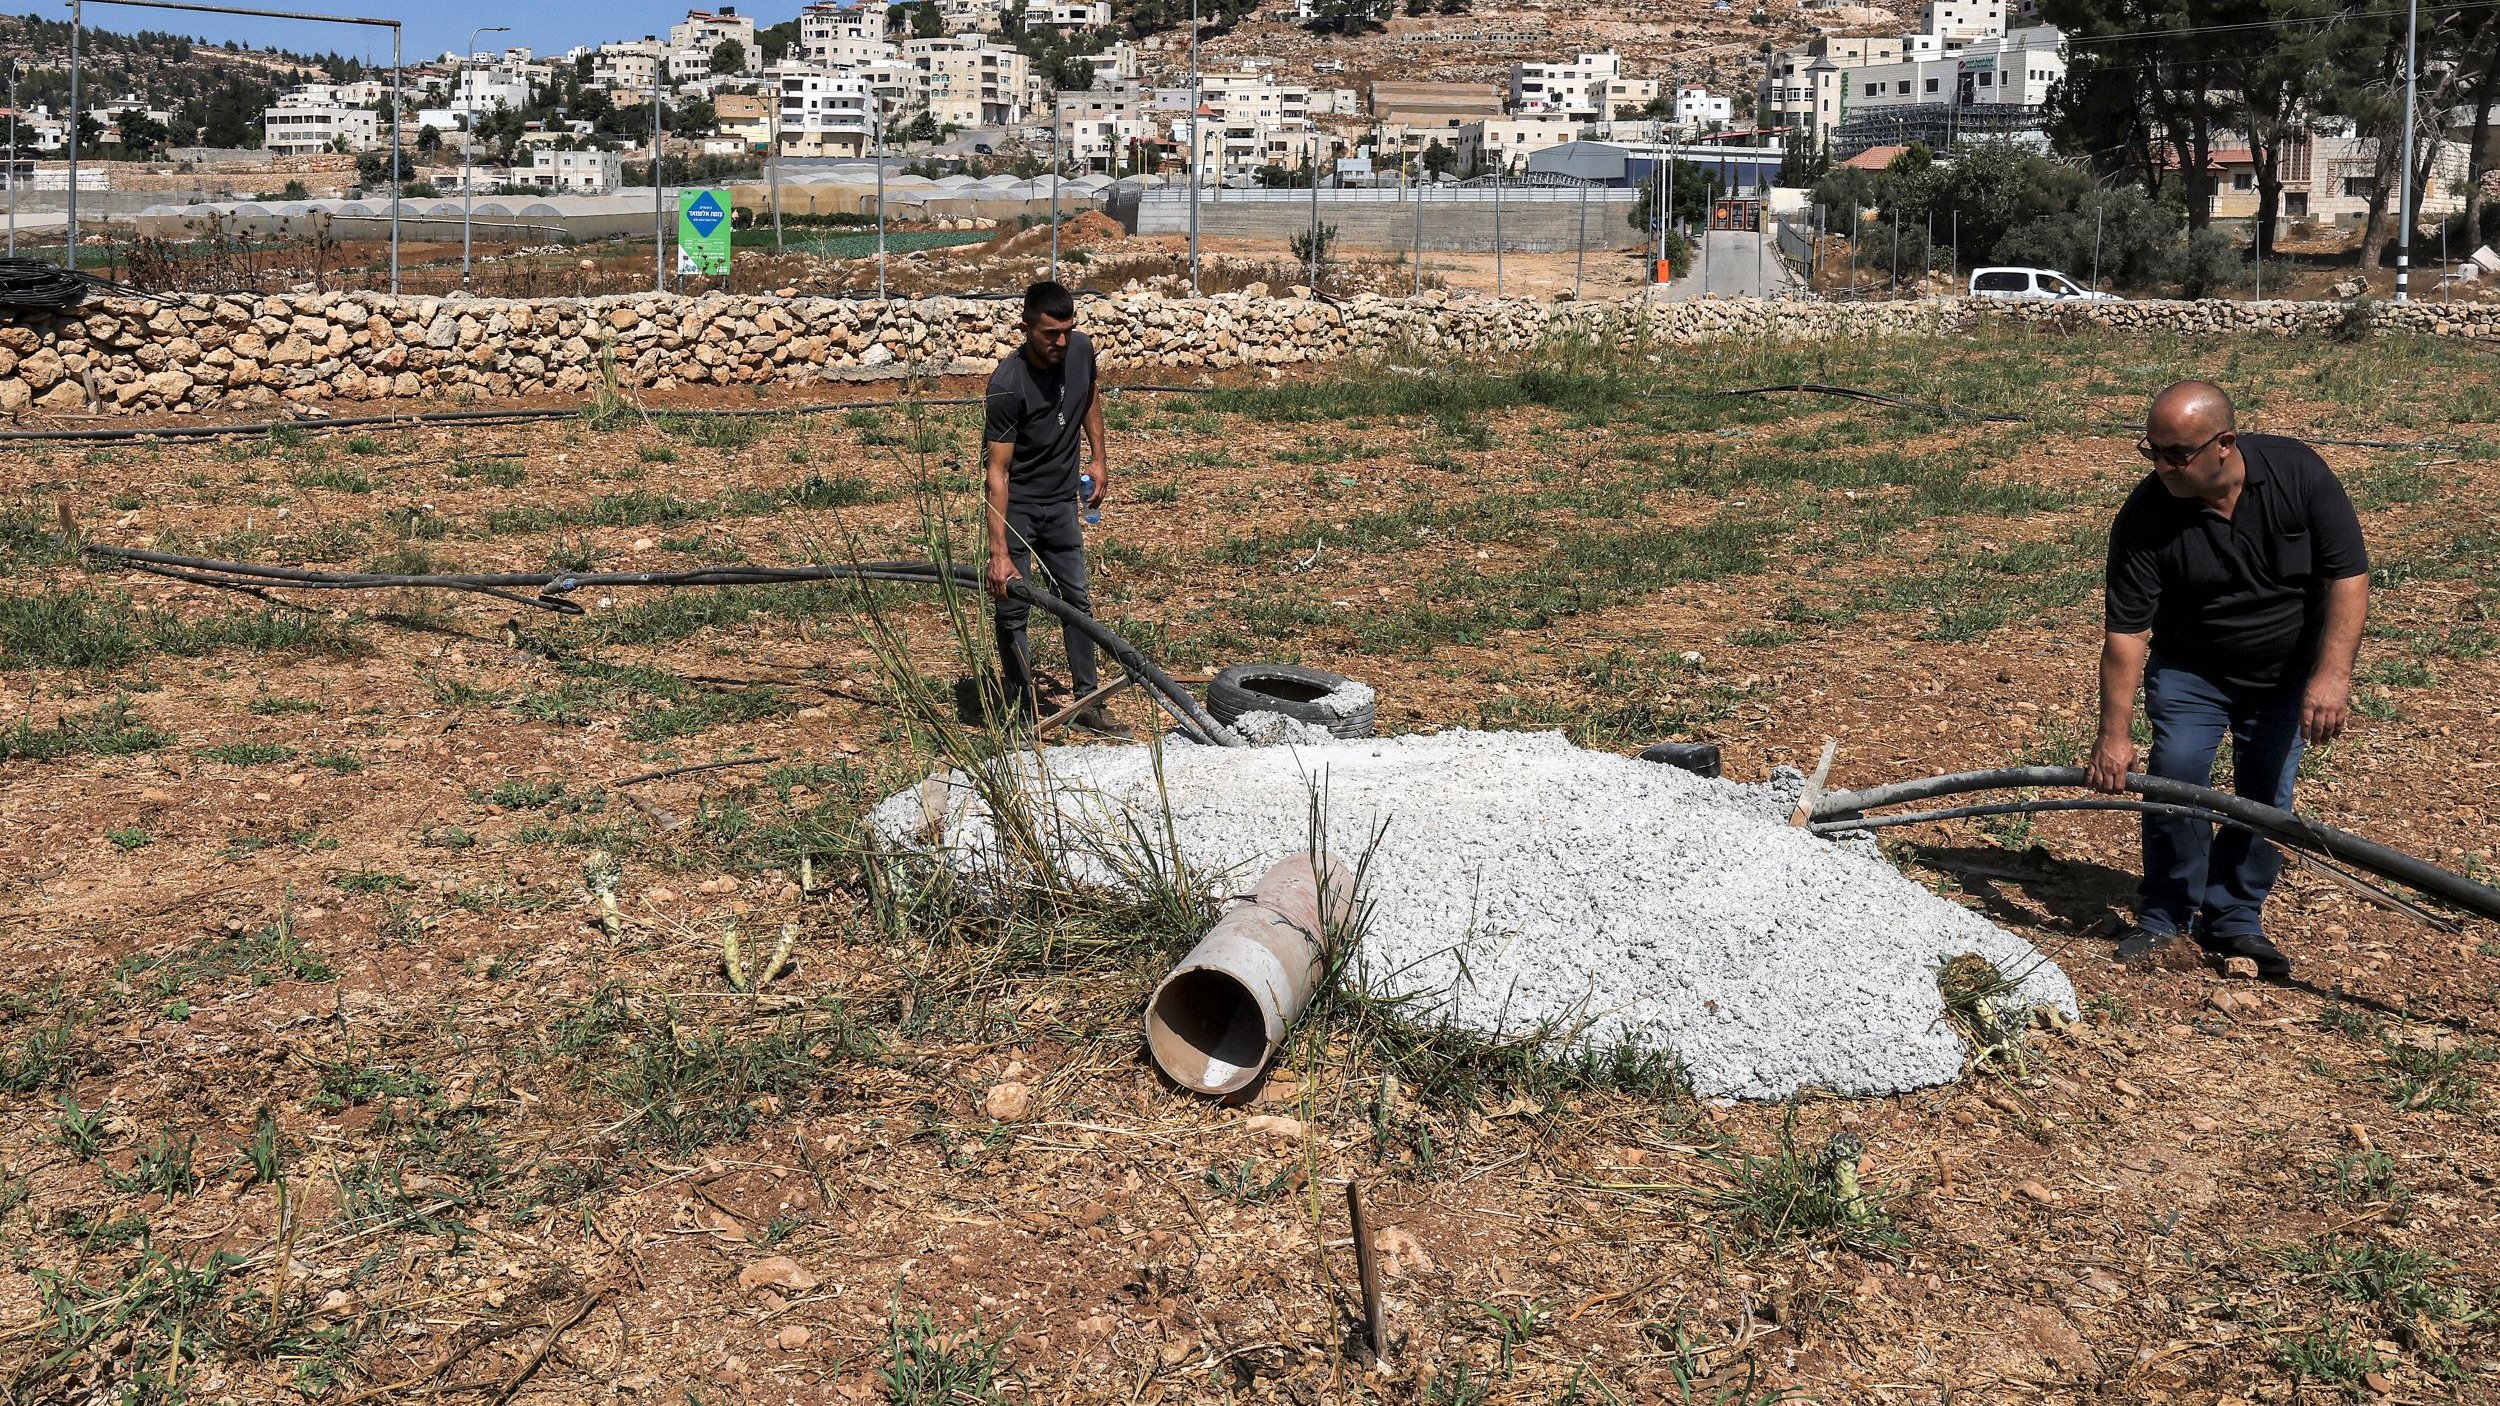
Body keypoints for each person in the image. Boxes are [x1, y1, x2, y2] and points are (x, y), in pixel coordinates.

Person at [2089, 380, 2370, 980]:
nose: (2162, 466)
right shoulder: (2146, 517)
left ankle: (2235, 920)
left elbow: (2348, 576)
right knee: (2178, 778)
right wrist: (2113, 733)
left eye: (2176, 454)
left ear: (2225, 443)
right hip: (2192, 671)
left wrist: (2331, 676)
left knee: (2264, 799)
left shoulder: (2298, 475)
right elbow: (2128, 633)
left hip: (2283, 675)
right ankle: (2165, 918)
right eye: (2153, 451)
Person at [982, 280, 1128, 737]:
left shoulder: (1081, 351)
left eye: (1067, 330)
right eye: (1050, 333)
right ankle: (1021, 712)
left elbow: (1088, 398)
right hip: (1020, 508)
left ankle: (1088, 703)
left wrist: (1099, 458)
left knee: (1076, 603)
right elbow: (997, 474)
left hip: (1064, 504)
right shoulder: (1007, 385)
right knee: (1013, 608)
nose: (1060, 342)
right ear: (1025, 327)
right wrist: (999, 552)